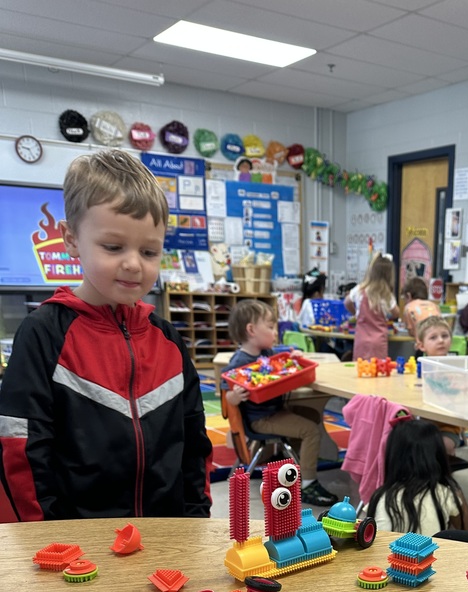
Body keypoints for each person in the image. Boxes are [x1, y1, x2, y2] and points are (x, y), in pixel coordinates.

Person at [0, 149, 212, 521]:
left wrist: (195, 520)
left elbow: (194, 441)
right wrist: (42, 538)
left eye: (149, 251)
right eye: (113, 247)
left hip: (167, 535)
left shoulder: (167, 340)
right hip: (74, 544)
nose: (133, 263)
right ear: (70, 239)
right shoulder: (44, 332)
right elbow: (21, 446)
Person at [223, 299, 337, 507]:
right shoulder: (240, 362)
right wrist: (234, 397)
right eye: (270, 326)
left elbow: (285, 359)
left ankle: (298, 466)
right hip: (261, 419)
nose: (275, 332)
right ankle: (308, 484)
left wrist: (295, 355)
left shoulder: (266, 353)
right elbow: (227, 393)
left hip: (275, 411)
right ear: (251, 330)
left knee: (311, 416)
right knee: (311, 430)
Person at [366, 418, 468, 535]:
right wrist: (456, 491)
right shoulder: (445, 494)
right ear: (439, 456)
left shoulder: (380, 497)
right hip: (430, 553)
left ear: (393, 457)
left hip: (386, 553)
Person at [414, 316, 462, 457]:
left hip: (449, 427)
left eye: (444, 336)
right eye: (433, 337)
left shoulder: (455, 368)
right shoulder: (422, 367)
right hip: (424, 424)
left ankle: (446, 473)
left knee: (443, 446)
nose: (441, 340)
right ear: (421, 346)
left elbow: (460, 400)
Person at [344, 253, 399, 361]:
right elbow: (396, 313)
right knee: (378, 370)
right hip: (378, 341)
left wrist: (356, 313)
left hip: (361, 340)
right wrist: (388, 317)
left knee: (360, 368)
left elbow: (347, 302)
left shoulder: (360, 289)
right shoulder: (386, 295)